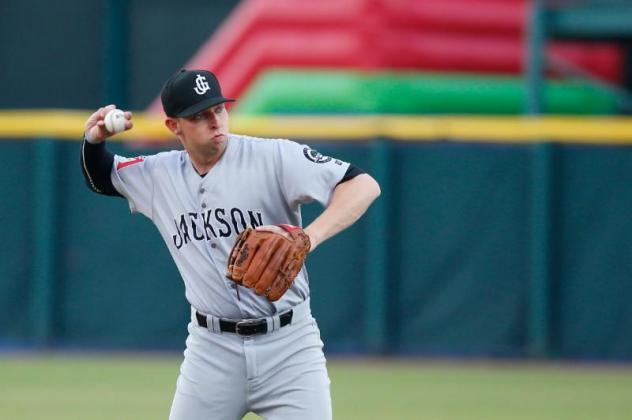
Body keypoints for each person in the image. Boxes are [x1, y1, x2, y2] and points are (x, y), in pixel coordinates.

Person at [81, 69, 380, 420]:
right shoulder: (157, 175)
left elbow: (362, 186)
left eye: (218, 110)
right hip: (211, 352)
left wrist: (308, 238)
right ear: (174, 127)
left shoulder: (274, 157)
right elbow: (102, 177)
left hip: (289, 346)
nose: (214, 121)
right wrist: (94, 140)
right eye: (199, 116)